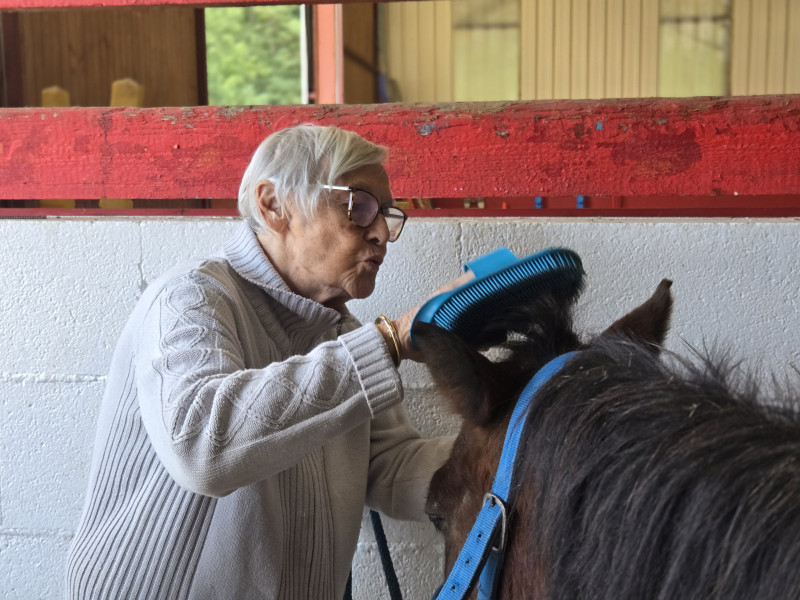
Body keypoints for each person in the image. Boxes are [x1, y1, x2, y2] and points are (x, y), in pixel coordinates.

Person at [66, 125, 467, 599]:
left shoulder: (347, 336)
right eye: (359, 206)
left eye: (387, 216)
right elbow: (202, 448)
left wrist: (511, 445)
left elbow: (391, 469)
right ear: (274, 206)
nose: (382, 233)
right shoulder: (191, 297)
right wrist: (392, 342)